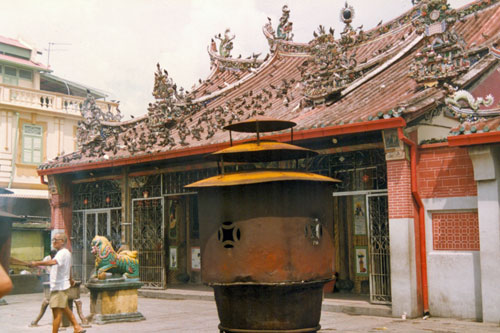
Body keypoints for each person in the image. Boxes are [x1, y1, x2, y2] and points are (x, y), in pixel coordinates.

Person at [30, 233, 85, 333]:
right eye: (53, 239)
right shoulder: (66, 253)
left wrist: (36, 263)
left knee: (56, 313)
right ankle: (77, 327)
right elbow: (69, 268)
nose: (54, 241)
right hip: (60, 285)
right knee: (64, 308)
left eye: (56, 239)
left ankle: (75, 327)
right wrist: (71, 280)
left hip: (59, 286)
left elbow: (53, 262)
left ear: (62, 241)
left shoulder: (62, 253)